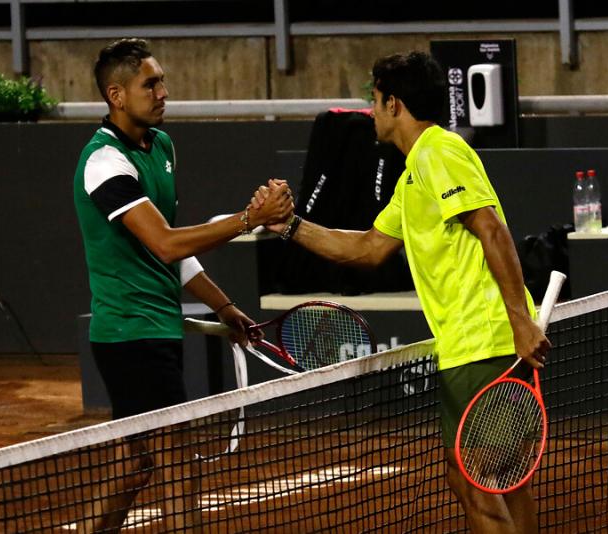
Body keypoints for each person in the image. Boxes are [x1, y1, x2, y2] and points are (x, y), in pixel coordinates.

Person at [255, 51, 550, 533]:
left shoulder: (439, 152)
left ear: (394, 104)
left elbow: (491, 229)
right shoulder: (415, 172)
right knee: (499, 481)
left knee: (473, 480)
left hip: (485, 342)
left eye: (374, 100)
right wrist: (288, 225)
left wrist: (519, 320)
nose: (370, 111)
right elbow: (368, 249)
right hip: (471, 345)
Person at [73, 38, 293, 532]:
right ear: (116, 95)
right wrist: (249, 219)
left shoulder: (162, 147)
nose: (163, 92)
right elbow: (167, 243)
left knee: (135, 465)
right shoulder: (103, 161)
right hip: (131, 335)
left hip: (155, 331)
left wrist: (224, 306)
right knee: (178, 467)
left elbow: (169, 255)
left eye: (162, 81)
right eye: (149, 83)